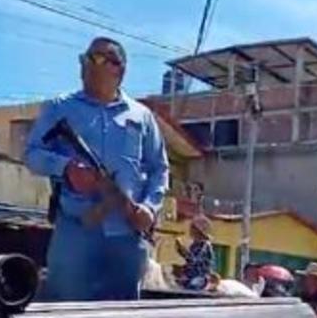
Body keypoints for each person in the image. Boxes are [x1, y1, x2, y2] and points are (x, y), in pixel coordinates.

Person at [25, 37, 168, 302]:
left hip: (127, 234)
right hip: (76, 231)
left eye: (99, 59)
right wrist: (66, 167)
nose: (88, 64)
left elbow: (160, 168)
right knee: (66, 315)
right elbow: (32, 154)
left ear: (120, 69)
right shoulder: (60, 108)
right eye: (86, 58)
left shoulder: (142, 116)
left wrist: (149, 207)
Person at [176, 217, 215, 292]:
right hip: (190, 275)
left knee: (192, 286)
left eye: (192, 229)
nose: (190, 231)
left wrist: (184, 252)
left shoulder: (205, 245)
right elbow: (189, 262)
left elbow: (195, 261)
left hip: (200, 276)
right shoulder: (193, 245)